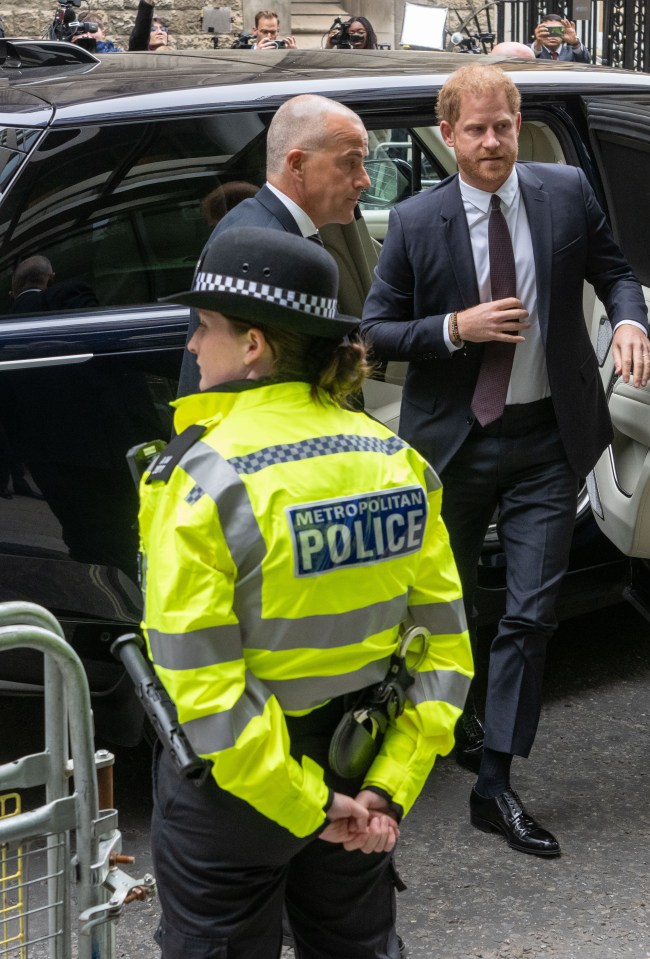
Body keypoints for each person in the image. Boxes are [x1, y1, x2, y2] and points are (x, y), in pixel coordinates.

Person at [143, 226, 472, 956]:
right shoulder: (398, 462)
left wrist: (307, 803)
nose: (194, 346)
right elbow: (445, 654)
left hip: (237, 795)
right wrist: (383, 790)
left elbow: (205, 688)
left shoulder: (201, 478)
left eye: (205, 327)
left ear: (253, 345)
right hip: (361, 762)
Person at [360, 64, 650, 857]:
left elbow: (615, 273)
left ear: (518, 125)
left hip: (546, 442)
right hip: (451, 445)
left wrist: (630, 324)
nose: (492, 142)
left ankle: (495, 782)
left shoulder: (563, 193)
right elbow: (374, 331)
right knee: (438, 613)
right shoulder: (417, 221)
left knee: (530, 609)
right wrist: (454, 327)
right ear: (447, 134)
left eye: (504, 126)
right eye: (476, 129)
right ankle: (425, 740)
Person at [177, 94, 371, 397]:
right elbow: (241, 383)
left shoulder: (262, 228)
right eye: (350, 162)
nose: (364, 180)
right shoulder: (263, 252)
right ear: (297, 164)